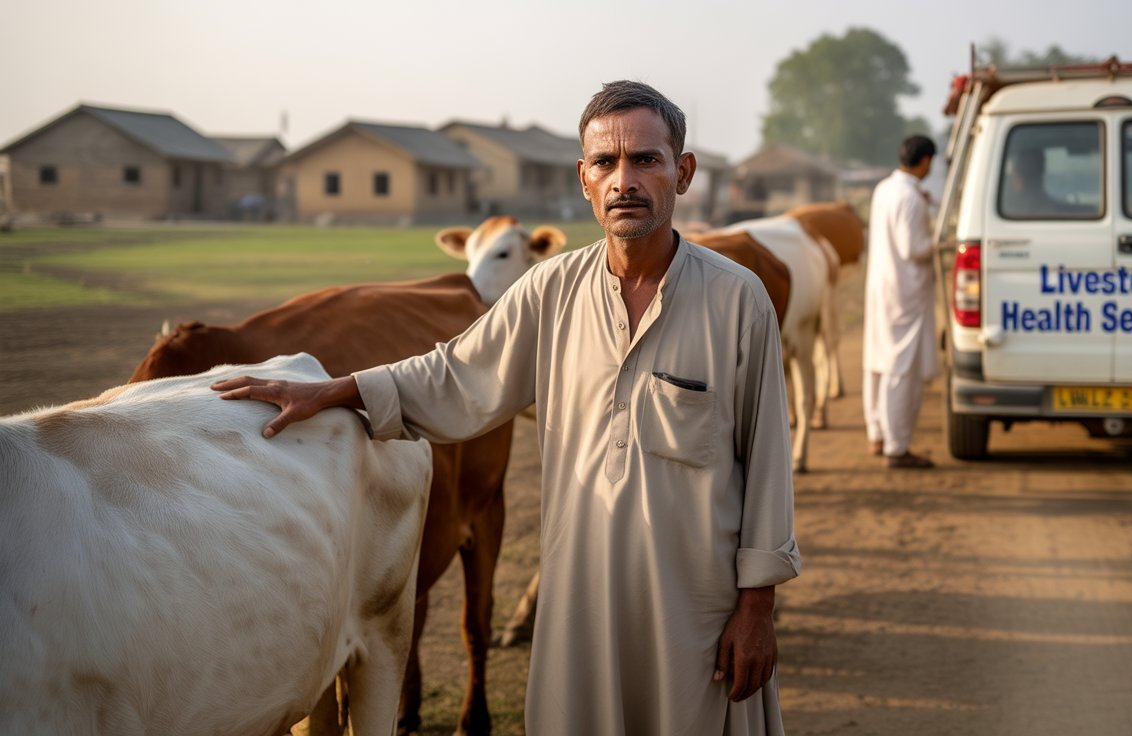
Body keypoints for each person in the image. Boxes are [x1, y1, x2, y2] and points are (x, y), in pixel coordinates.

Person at [212, 80, 802, 734]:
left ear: (682, 172)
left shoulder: (736, 300)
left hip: (697, 610)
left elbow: (770, 464)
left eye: (646, 160)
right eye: (606, 163)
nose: (624, 180)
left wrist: (756, 611)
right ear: (584, 179)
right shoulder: (551, 290)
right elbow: (453, 377)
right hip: (581, 606)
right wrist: (333, 389)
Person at [863, 134, 939, 469]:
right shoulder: (911, 198)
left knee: (878, 360)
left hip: (883, 285)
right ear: (925, 162)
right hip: (905, 291)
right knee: (901, 368)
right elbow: (913, 248)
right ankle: (897, 447)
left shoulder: (885, 189)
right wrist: (940, 240)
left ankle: (877, 433)